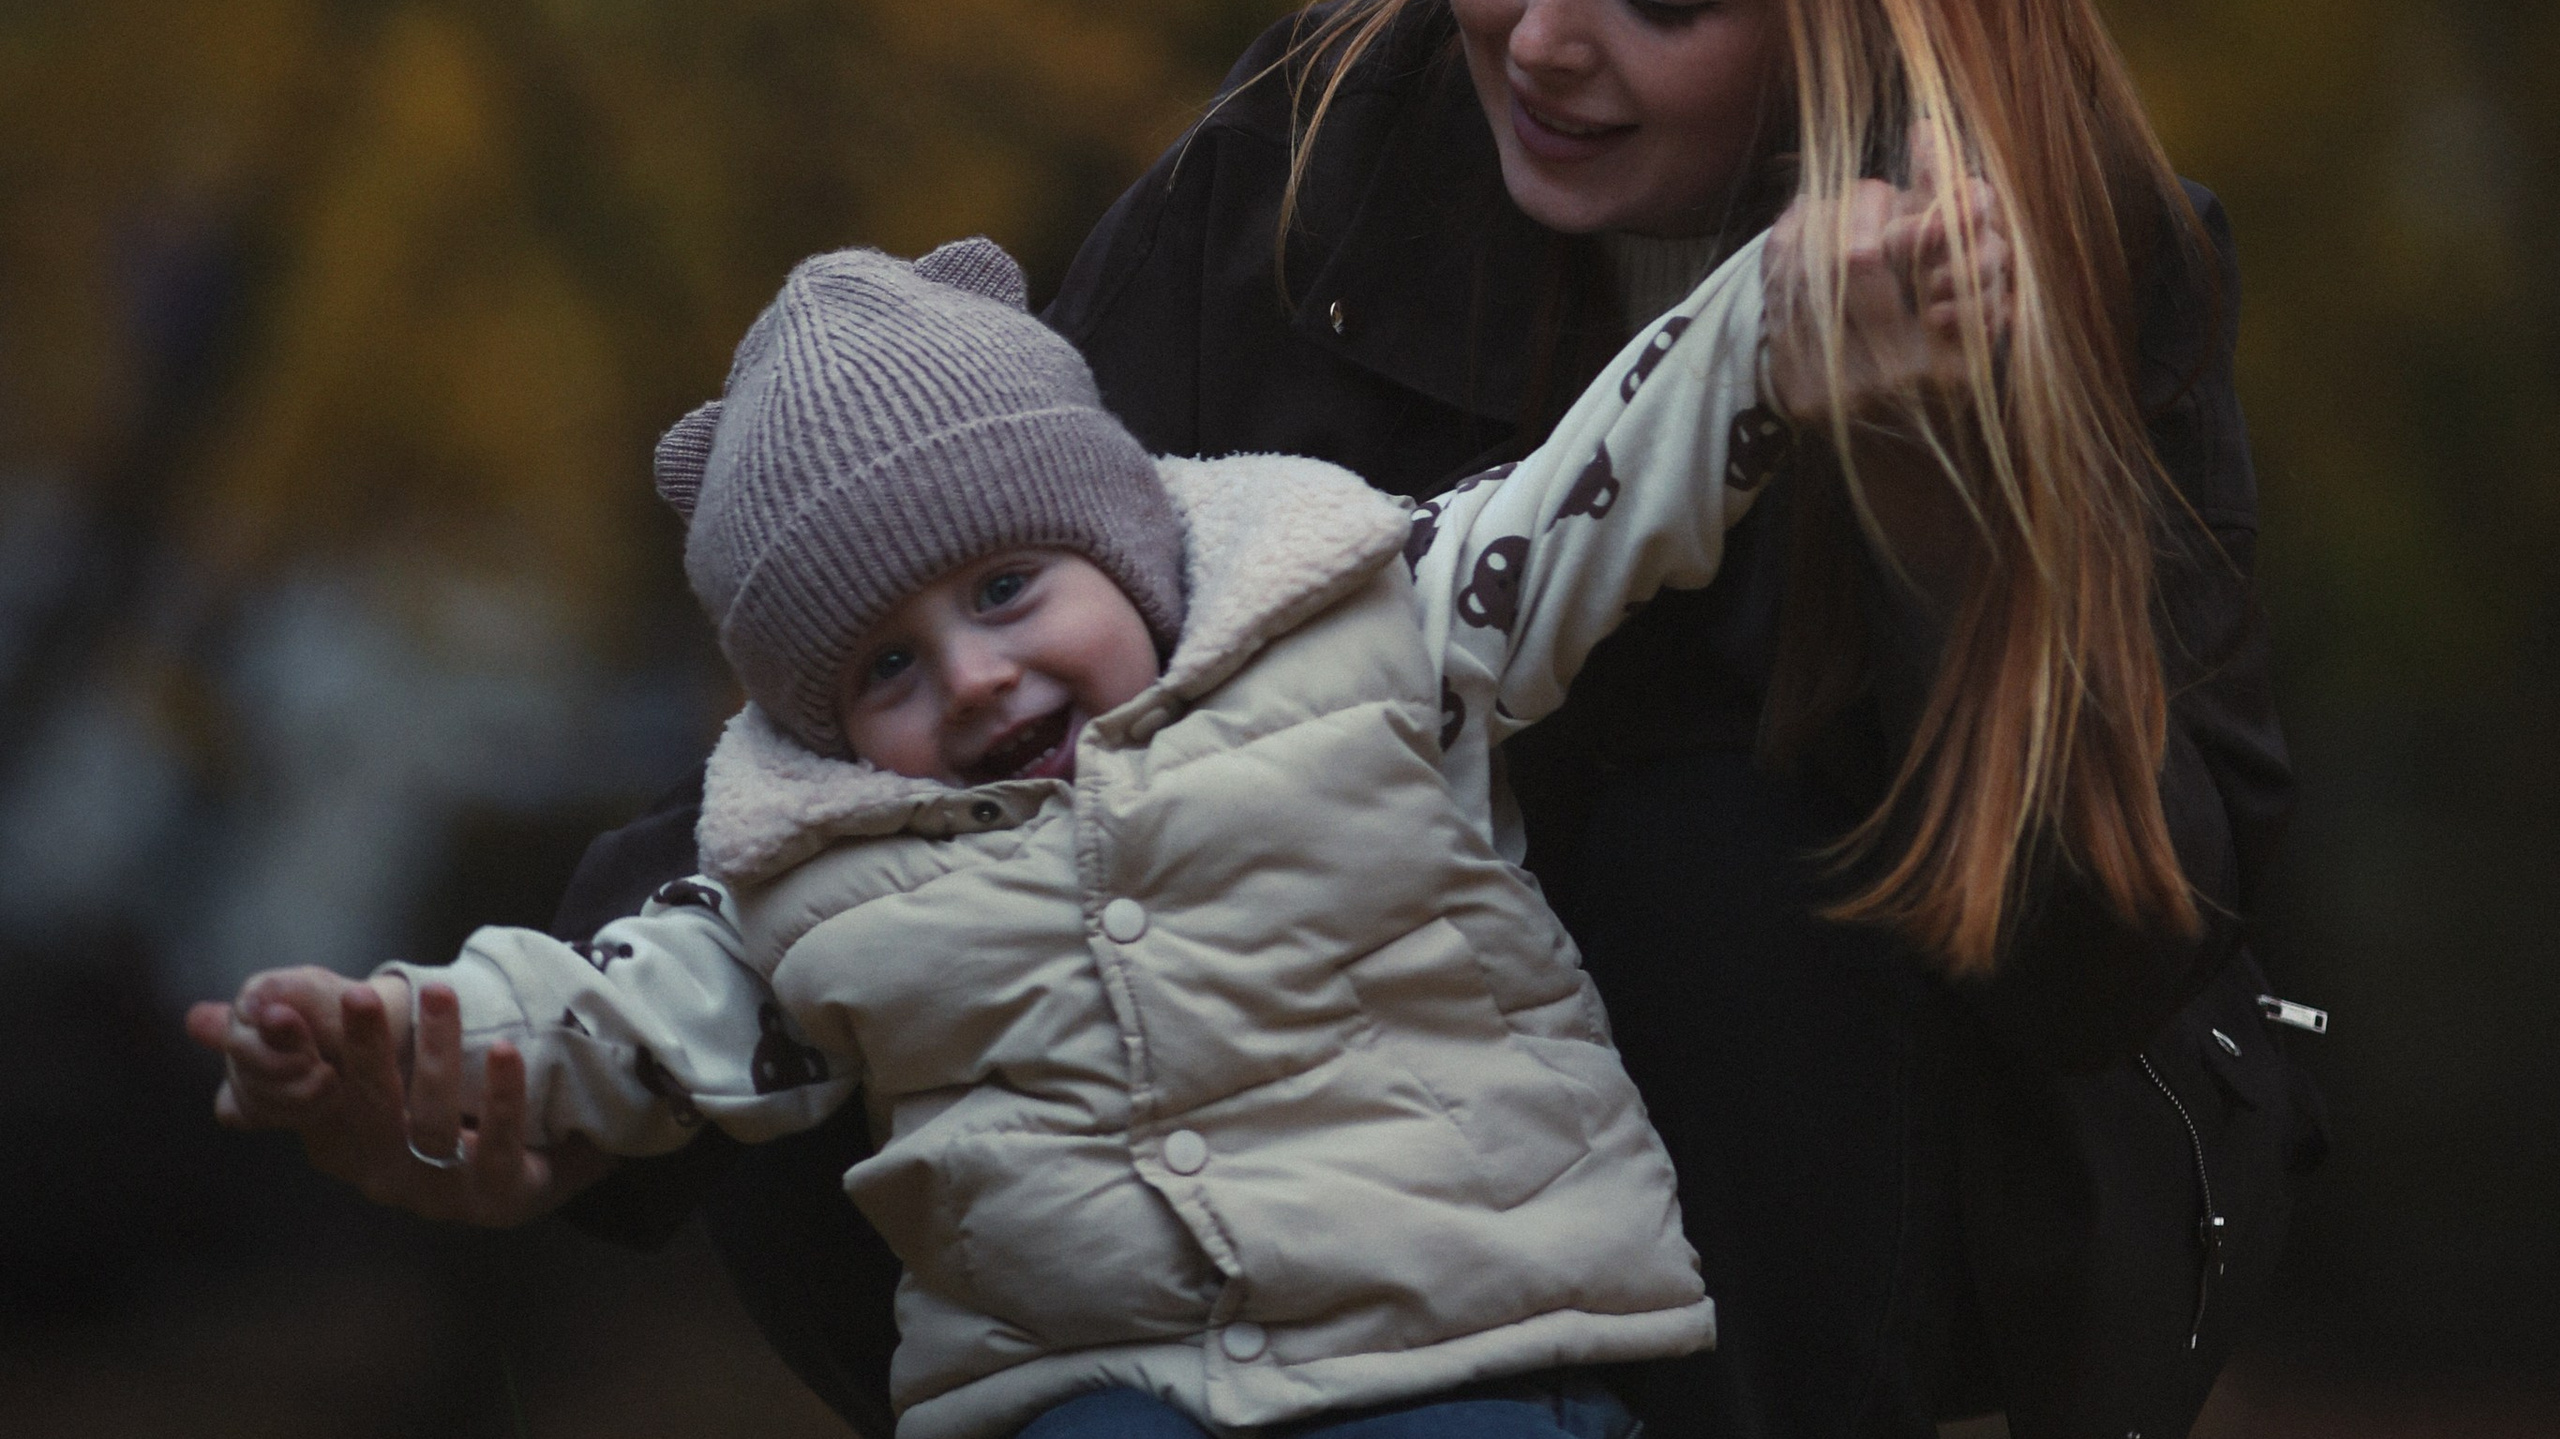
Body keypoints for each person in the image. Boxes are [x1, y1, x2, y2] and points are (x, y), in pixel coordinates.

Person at [198, 2, 2325, 1437]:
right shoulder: (1306, 171)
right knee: (883, 936)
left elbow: (2121, 940)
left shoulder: (2074, 269)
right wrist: (531, 1077)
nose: (1543, 37)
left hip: (1794, 1178)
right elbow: (893, 674)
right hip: (1255, 1157)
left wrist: (1916, 497)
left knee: (1714, 854)